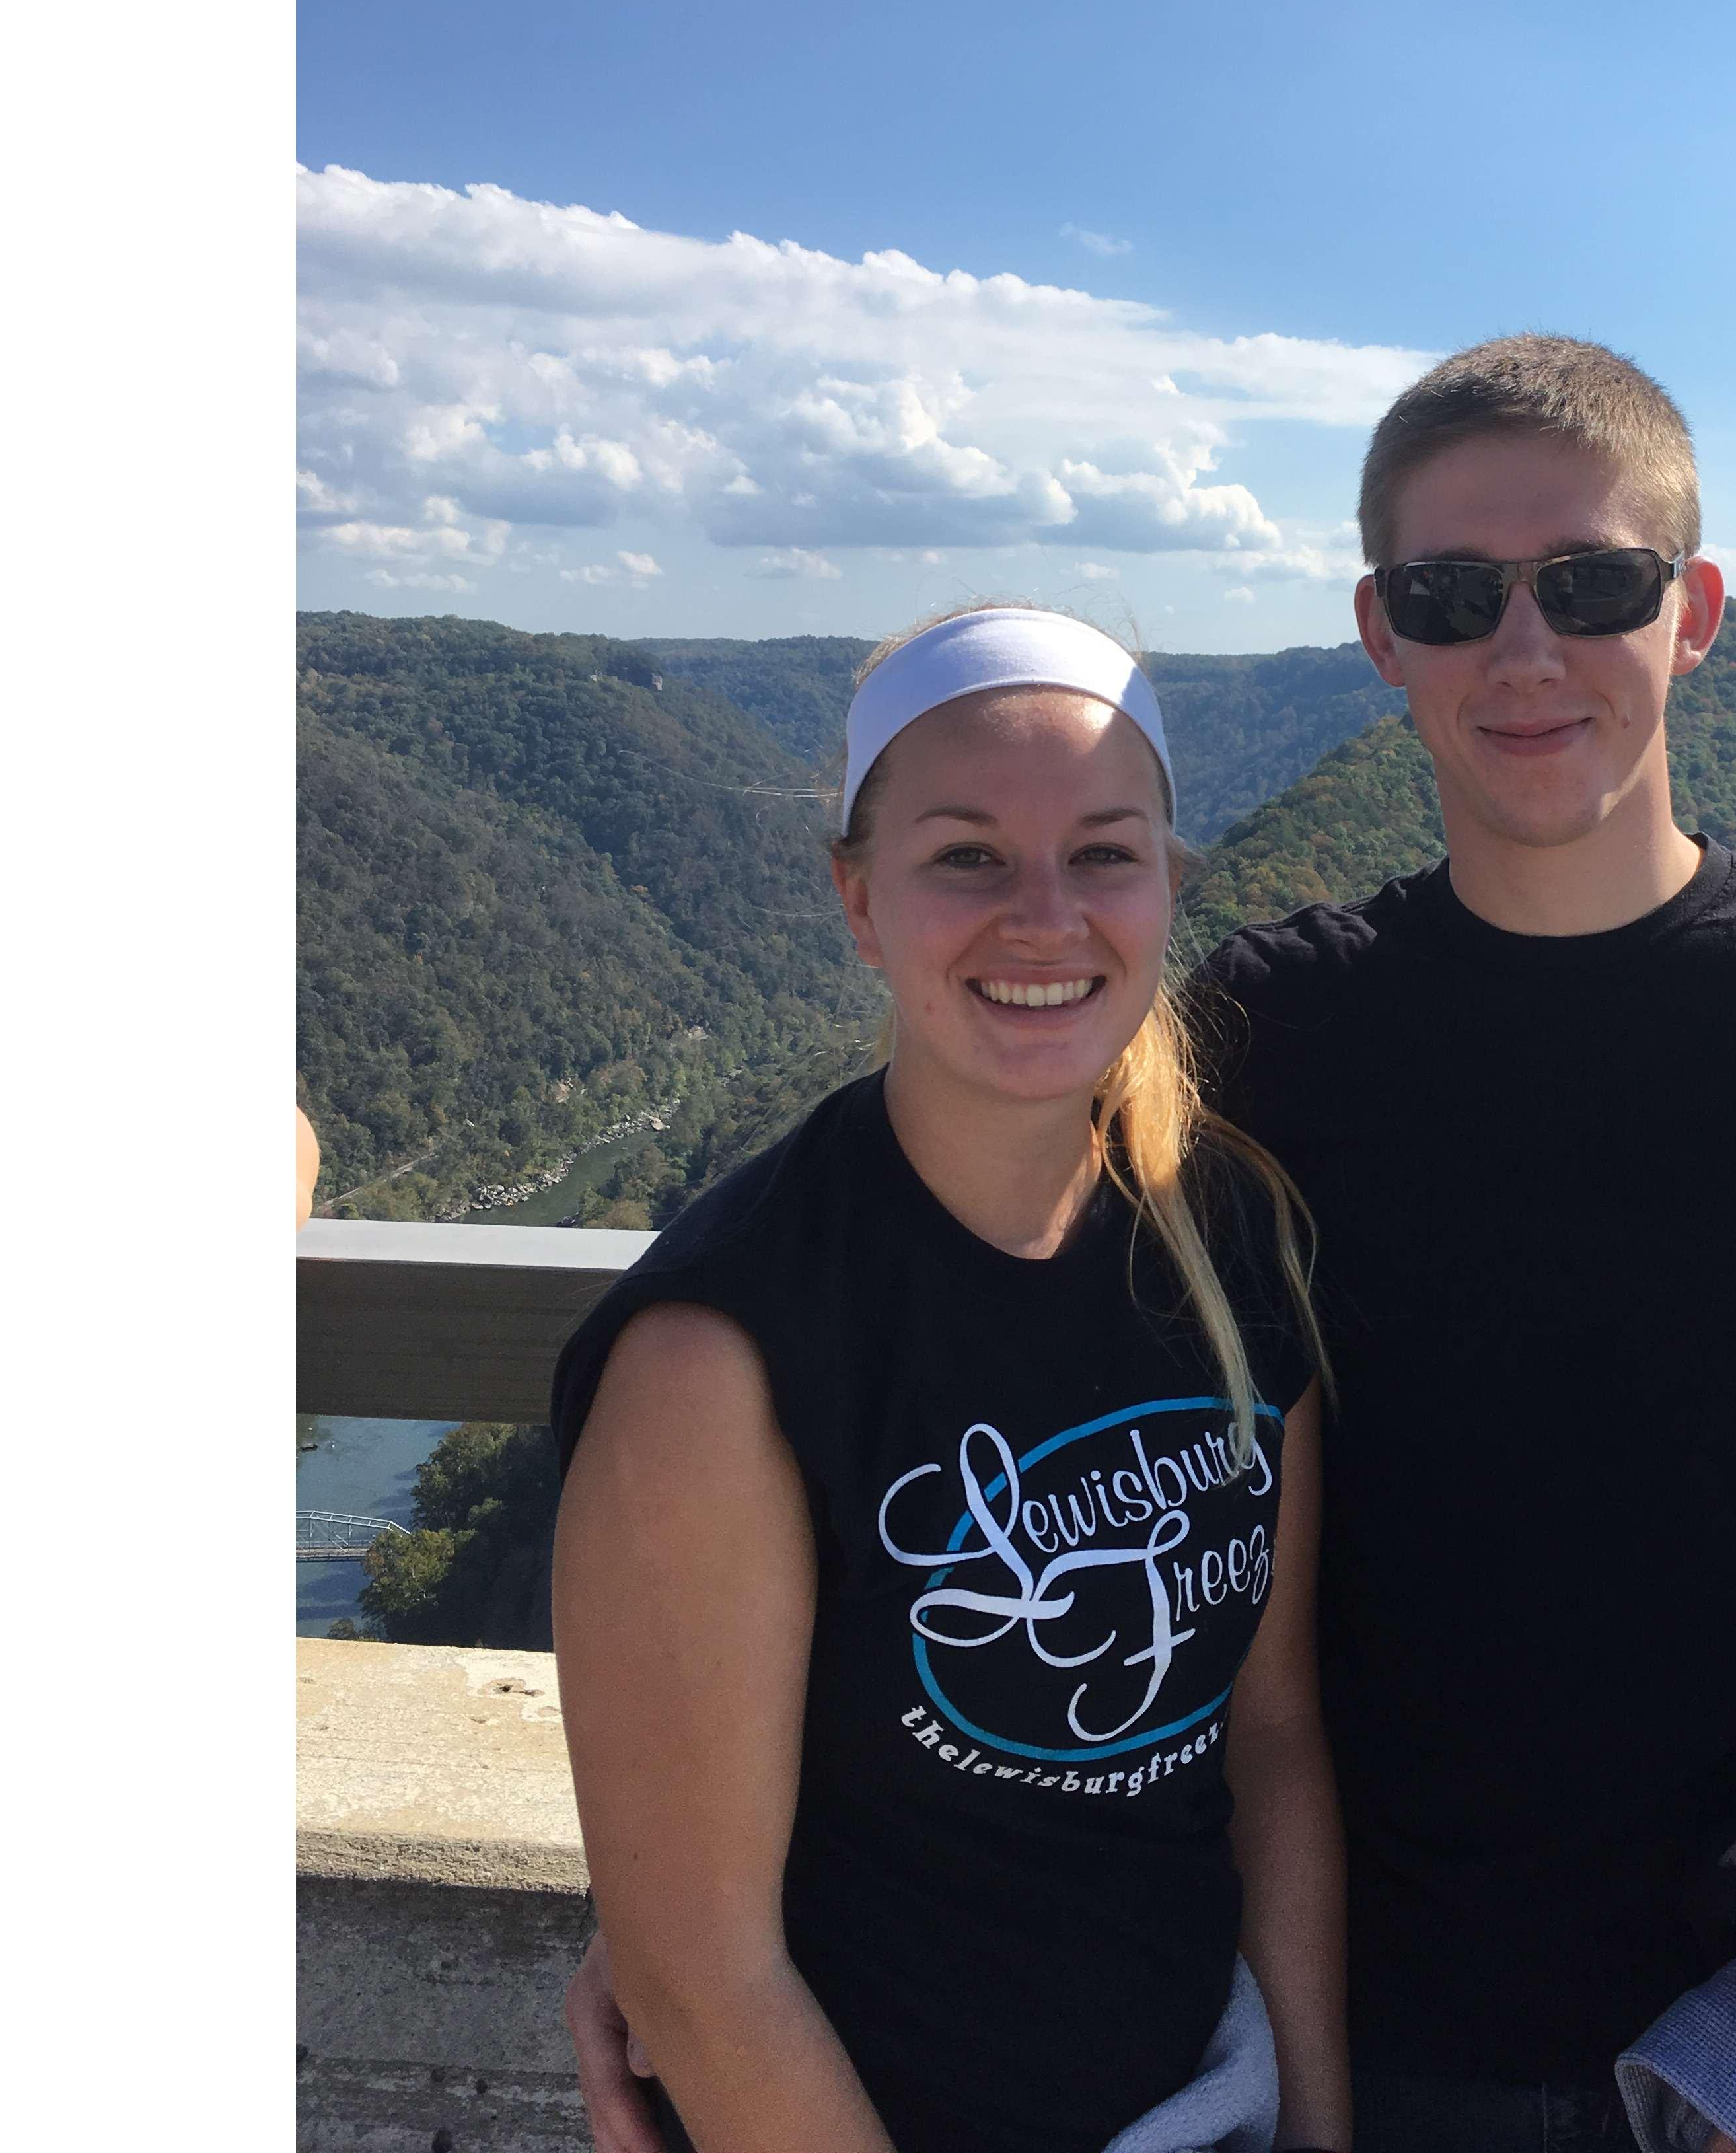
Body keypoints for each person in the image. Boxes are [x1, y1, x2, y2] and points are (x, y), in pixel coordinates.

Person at [568, 338, 1736, 2152]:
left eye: (1594, 585)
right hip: (1393, 2029)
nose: (1524, 651)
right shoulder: (1265, 1043)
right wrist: (679, 1921)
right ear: (1382, 633)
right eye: (1458, 596)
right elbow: (968, 1289)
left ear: (1693, 612)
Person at [549, 608, 1351, 2153]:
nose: (1043, 917)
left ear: (1170, 885)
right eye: (968, 858)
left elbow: (1270, 1739)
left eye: (1105, 854)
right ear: (858, 899)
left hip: (1205, 2103)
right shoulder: (723, 1355)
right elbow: (700, 1971)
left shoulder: (1232, 1237)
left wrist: (1317, 2128)